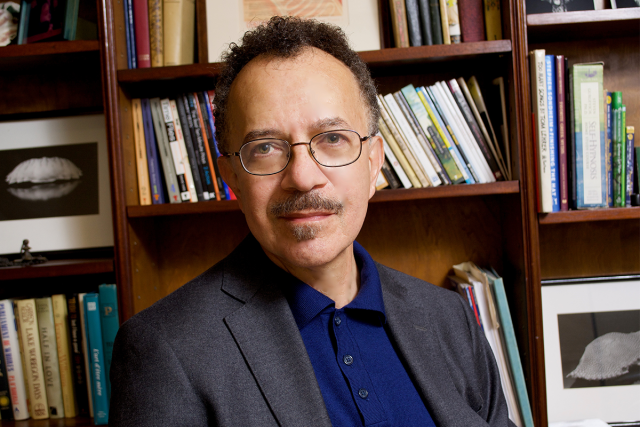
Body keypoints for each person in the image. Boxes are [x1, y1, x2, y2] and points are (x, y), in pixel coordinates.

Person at [110, 16, 515, 427]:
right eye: (265, 147)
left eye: (333, 139)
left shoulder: (449, 317)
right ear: (231, 178)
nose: (303, 177)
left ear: (374, 163)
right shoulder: (164, 349)